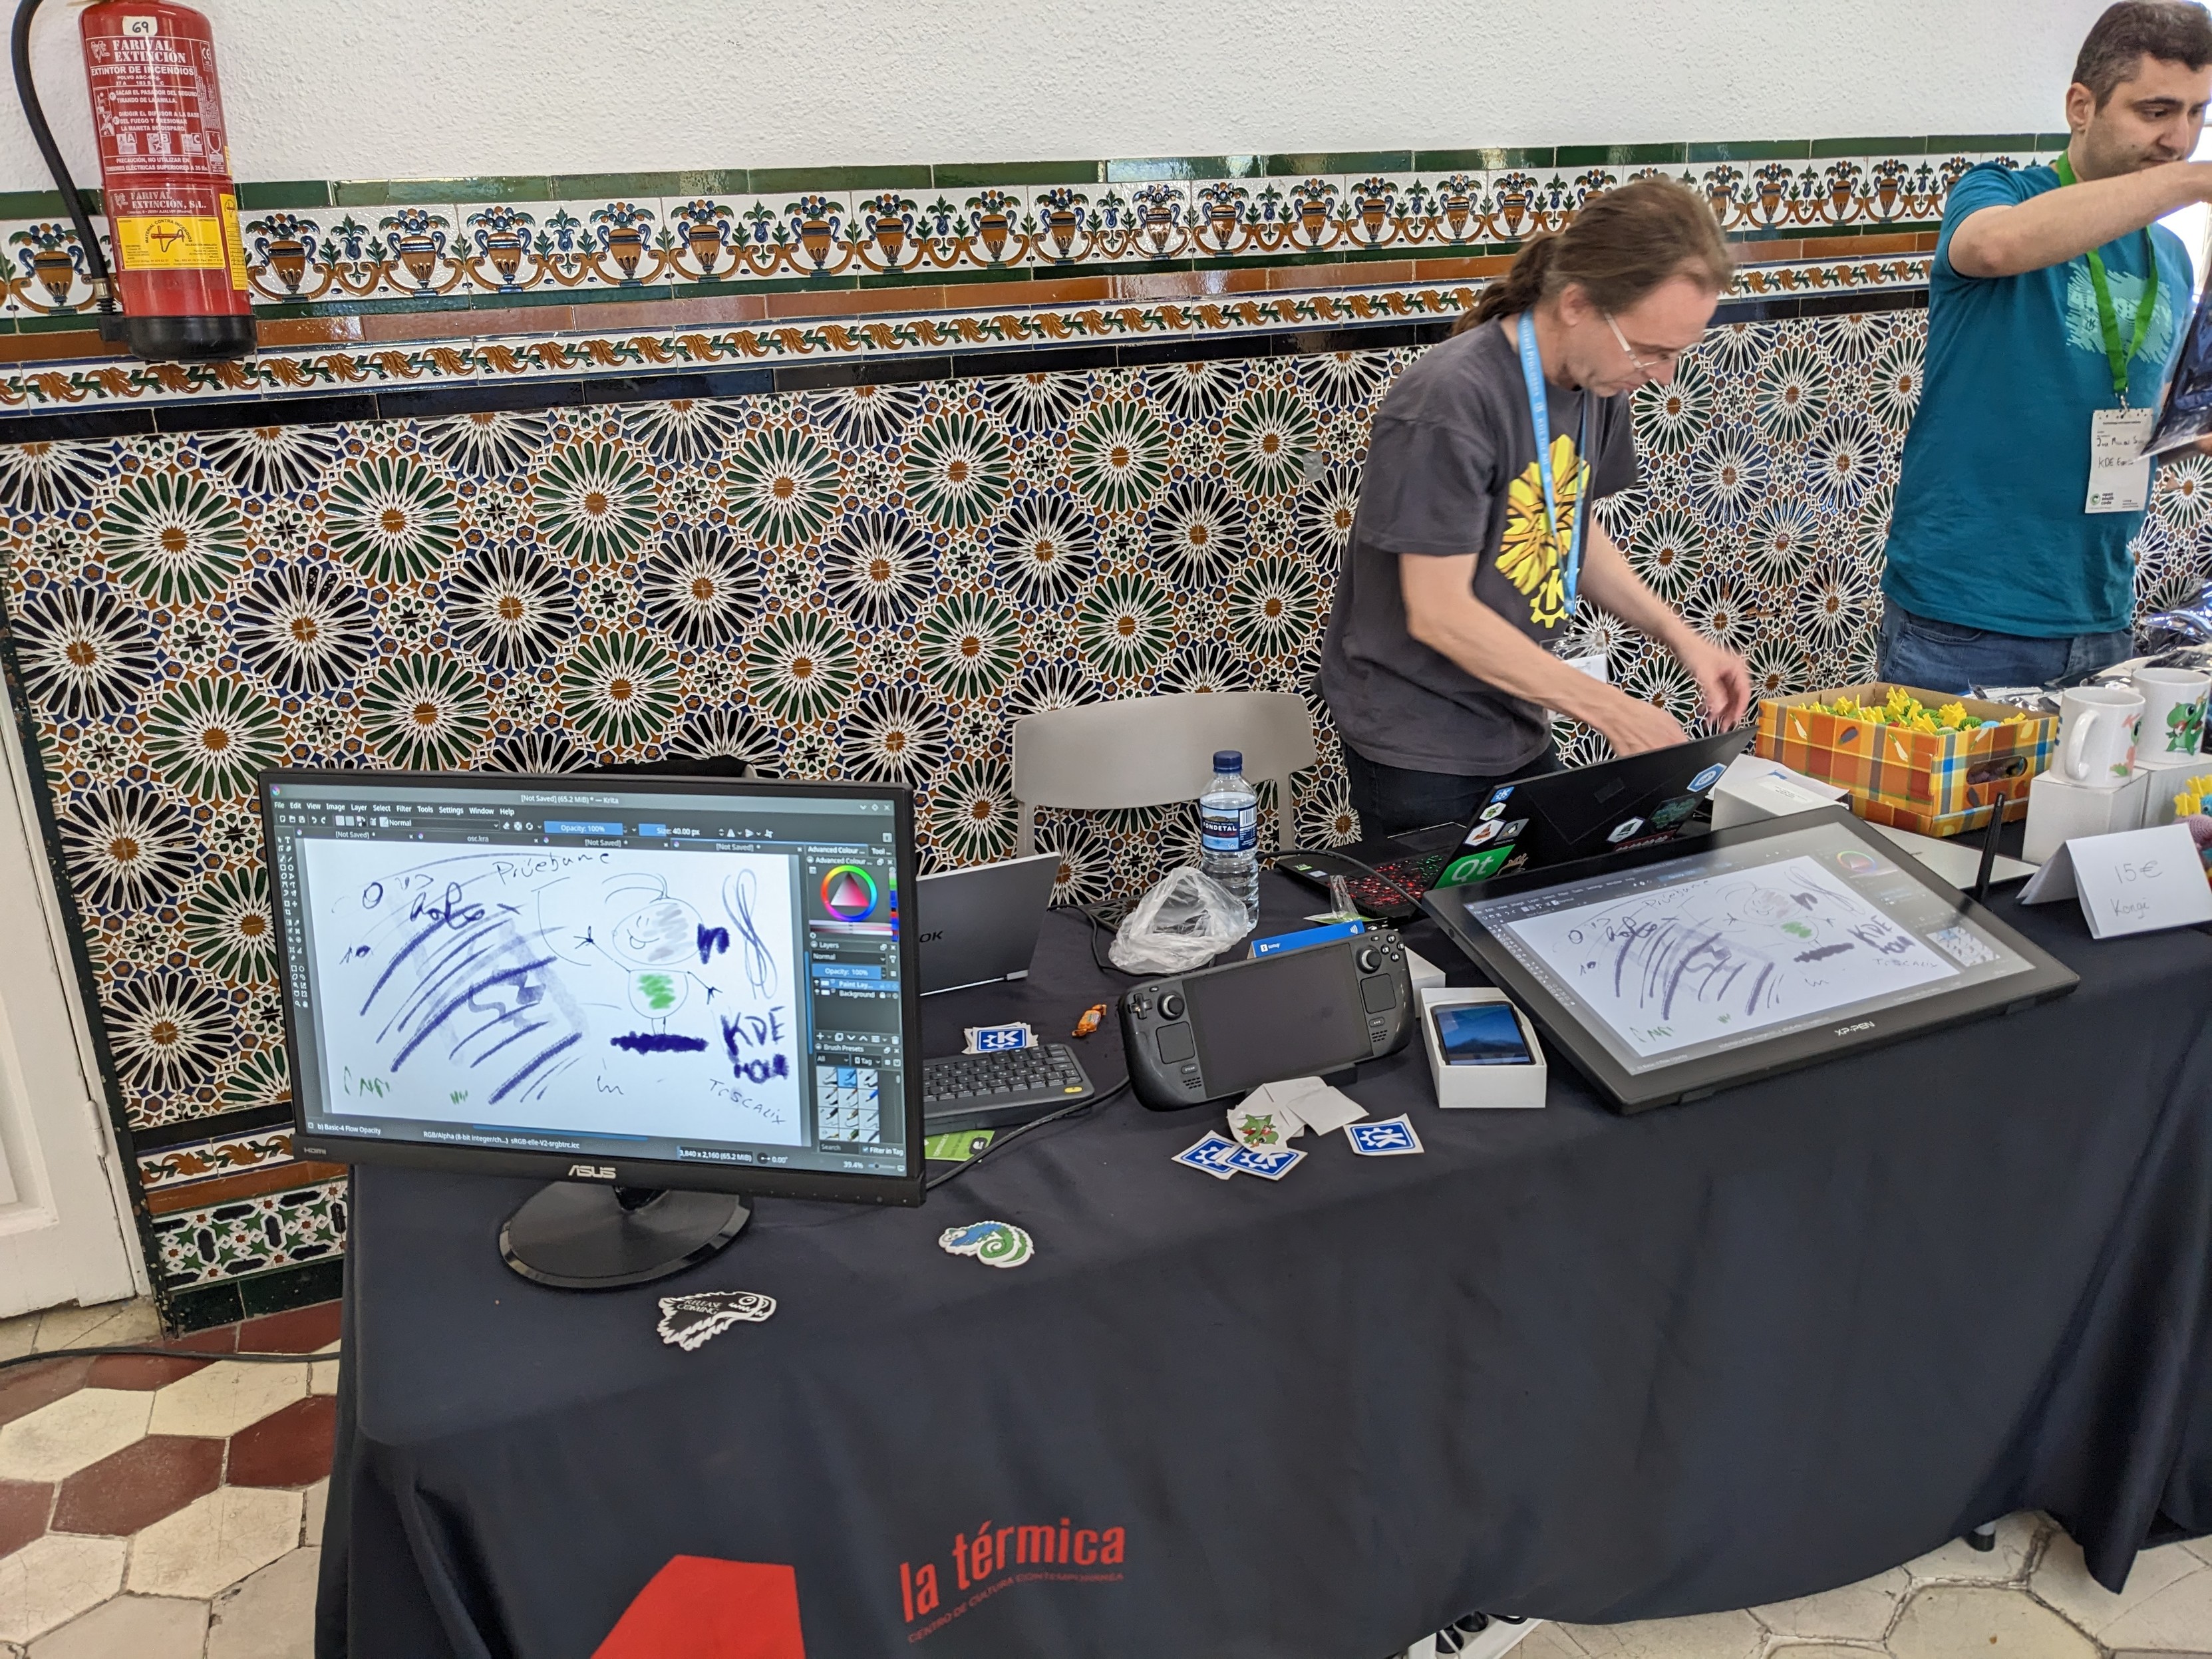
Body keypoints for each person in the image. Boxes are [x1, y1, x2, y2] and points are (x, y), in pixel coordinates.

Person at [1319, 178, 1752, 839]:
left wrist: (1680, 635)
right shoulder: (1448, 400)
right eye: (1652, 350)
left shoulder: (1596, 382)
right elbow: (1439, 613)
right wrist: (1609, 709)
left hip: (1516, 717)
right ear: (1577, 303)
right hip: (1423, 741)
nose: (1662, 376)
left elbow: (1572, 528)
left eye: (1676, 355)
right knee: (1444, 937)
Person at [1880, 0, 2212, 694]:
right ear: (2080, 106)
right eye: (2155, 112)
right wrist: (2191, 181)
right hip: (1966, 619)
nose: (2177, 138)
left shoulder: (2170, 257)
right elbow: (1994, 245)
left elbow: (2129, 412)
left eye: (2195, 114)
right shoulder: (1998, 192)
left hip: (2100, 611)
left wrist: (2190, 430)